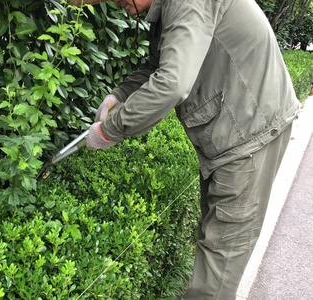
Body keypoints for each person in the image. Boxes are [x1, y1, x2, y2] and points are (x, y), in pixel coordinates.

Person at [82, 0, 301, 299]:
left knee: (217, 269)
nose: (116, 3)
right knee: (215, 241)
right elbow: (161, 65)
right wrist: (119, 96)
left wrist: (109, 131)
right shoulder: (174, 6)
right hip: (236, 133)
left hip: (249, 137)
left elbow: (172, 83)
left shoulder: (187, 2)